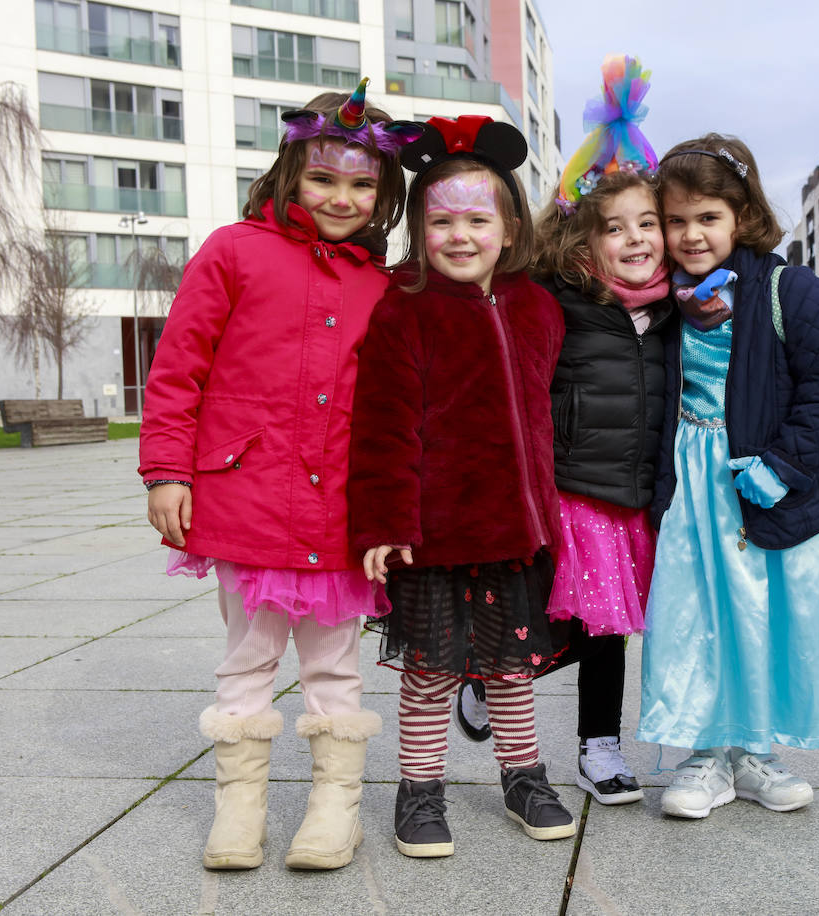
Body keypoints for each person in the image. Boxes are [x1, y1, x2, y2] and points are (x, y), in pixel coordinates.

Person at [138, 81, 418, 871]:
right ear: (291, 172)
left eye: (361, 185)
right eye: (324, 178)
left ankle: (335, 808)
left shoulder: (383, 284)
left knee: (333, 663)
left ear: (384, 195)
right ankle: (240, 809)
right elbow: (179, 367)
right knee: (248, 658)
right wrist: (167, 470)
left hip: (340, 512)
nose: (342, 198)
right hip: (248, 499)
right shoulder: (234, 251)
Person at [638, 134, 819, 820]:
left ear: (742, 216)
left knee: (767, 615)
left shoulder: (789, 289)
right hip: (691, 484)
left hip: (766, 481)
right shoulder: (659, 301)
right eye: (676, 220)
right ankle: (705, 753)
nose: (692, 234)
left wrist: (783, 465)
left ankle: (756, 752)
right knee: (694, 613)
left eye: (708, 217)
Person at [347, 115, 576, 858]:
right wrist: (385, 522)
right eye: (442, 221)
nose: (460, 236)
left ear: (509, 230)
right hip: (436, 536)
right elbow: (383, 427)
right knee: (431, 671)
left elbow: (544, 416)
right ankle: (419, 789)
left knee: (511, 668)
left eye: (478, 220)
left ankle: (523, 776)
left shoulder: (537, 307)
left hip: (515, 531)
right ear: (421, 228)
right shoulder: (404, 310)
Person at [455, 54, 669, 806]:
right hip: (569, 491)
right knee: (555, 621)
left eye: (649, 224)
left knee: (608, 628)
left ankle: (598, 746)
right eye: (615, 228)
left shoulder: (678, 308)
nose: (636, 240)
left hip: (633, 495)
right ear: (584, 240)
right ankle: (489, 676)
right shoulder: (557, 299)